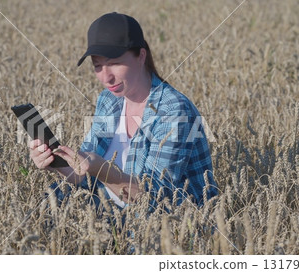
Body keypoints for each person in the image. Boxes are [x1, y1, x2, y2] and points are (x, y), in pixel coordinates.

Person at [29, 12, 218, 212]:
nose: (106, 77)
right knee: (51, 200)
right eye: (98, 66)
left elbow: (155, 198)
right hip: (108, 215)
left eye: (114, 64)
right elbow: (84, 179)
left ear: (141, 56)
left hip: (165, 226)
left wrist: (101, 169)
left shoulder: (173, 111)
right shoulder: (108, 100)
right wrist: (56, 162)